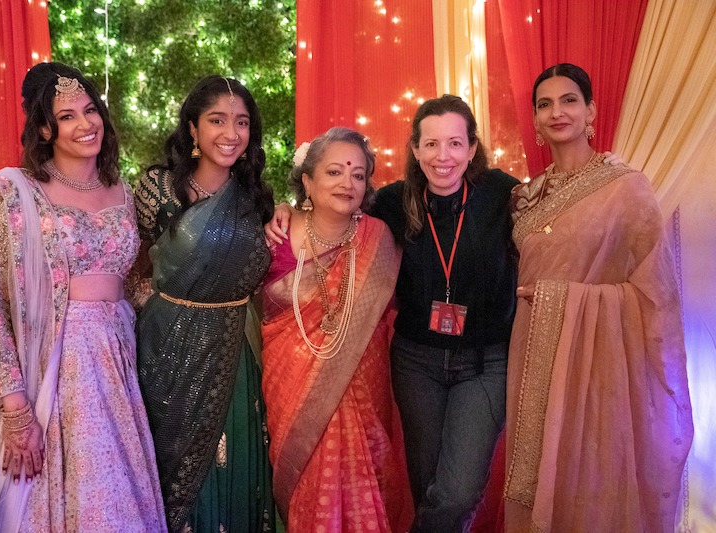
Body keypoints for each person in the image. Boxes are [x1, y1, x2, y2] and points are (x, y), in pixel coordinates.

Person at [267, 96, 520, 531]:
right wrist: (286, 208)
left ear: (472, 148)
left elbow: (557, 212)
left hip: (485, 362)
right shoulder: (390, 204)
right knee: (426, 486)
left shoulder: (503, 194)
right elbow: (333, 208)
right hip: (416, 362)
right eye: (432, 144)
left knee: (457, 490)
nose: (444, 157)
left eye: (456, 144)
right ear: (416, 149)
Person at [0, 62, 166, 531]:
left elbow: (135, 285)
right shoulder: (15, 192)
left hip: (118, 364)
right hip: (53, 369)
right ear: (44, 128)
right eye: (67, 117)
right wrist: (17, 410)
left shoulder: (123, 191)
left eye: (90, 110)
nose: (86, 124)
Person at [504, 63, 693, 532]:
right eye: (544, 104)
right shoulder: (524, 197)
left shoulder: (627, 189)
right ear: (535, 120)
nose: (557, 112)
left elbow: (656, 294)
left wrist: (566, 299)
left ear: (591, 110)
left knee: (587, 469)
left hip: (597, 365)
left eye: (569, 100)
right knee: (531, 471)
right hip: (530, 356)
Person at [132, 75, 276, 532]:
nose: (231, 134)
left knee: (232, 459)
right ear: (192, 128)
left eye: (242, 123)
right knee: (169, 464)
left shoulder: (257, 198)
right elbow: (125, 263)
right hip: (166, 349)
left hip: (234, 351)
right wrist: (148, 299)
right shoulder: (156, 191)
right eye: (217, 120)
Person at [261, 127, 413, 532]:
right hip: (290, 386)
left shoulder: (377, 238)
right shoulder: (274, 234)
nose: (348, 183)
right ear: (307, 181)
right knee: (308, 476)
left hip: (363, 382)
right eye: (334, 172)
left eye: (358, 174)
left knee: (365, 473)